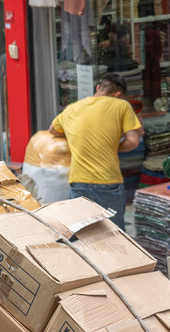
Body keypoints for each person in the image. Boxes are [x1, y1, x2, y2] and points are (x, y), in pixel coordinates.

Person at [48, 73, 141, 229]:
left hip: (79, 181)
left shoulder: (72, 108)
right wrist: (112, 147)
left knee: (83, 233)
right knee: (113, 233)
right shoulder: (122, 105)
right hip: (108, 181)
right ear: (118, 95)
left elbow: (53, 130)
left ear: (98, 87)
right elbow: (133, 141)